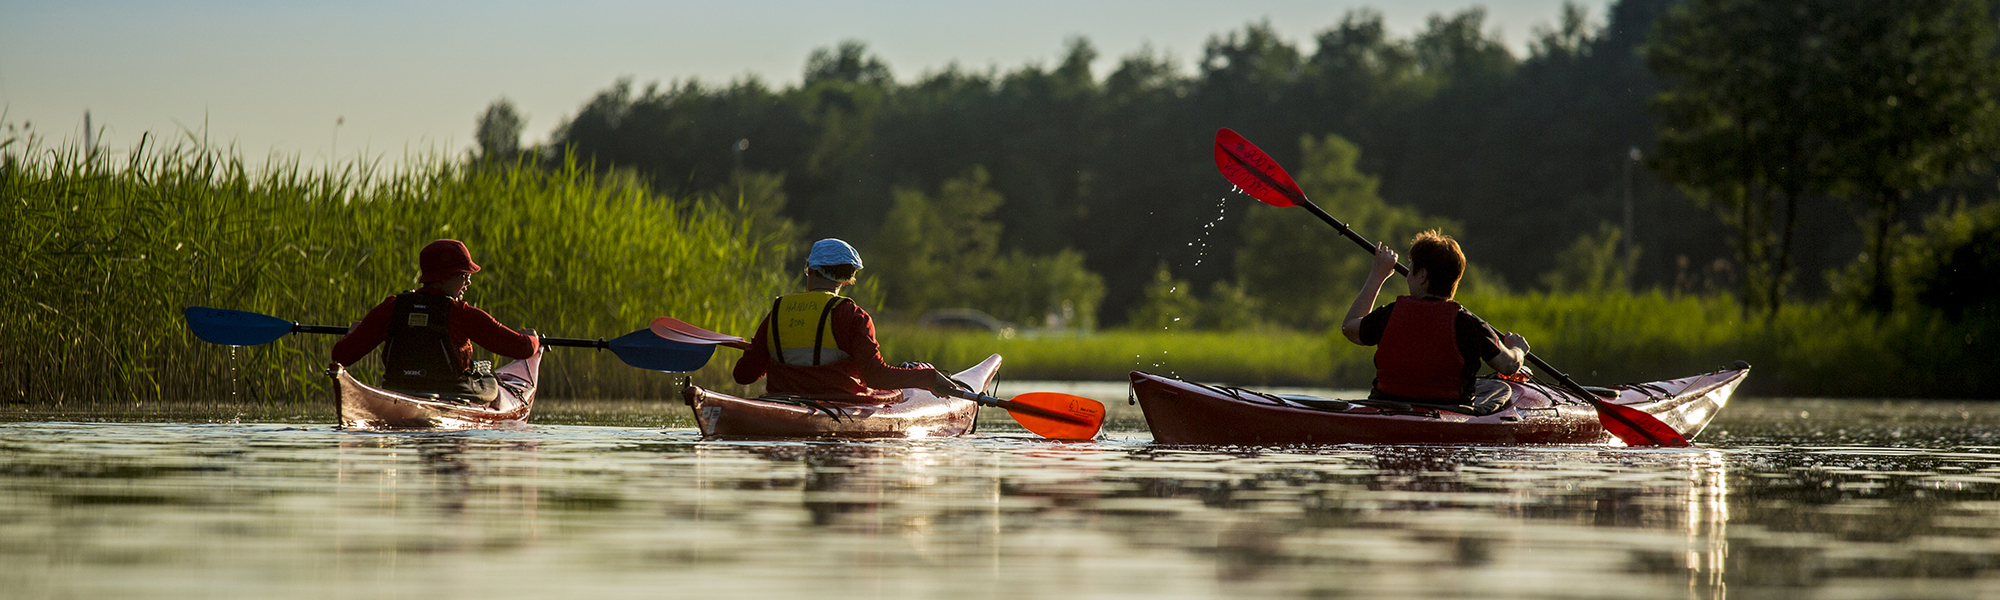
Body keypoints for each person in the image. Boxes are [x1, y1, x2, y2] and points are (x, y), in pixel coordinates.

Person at [733, 238, 958, 400]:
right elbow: (877, 377)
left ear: (810, 270)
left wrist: (755, 349)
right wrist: (928, 378)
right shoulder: (853, 316)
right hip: (840, 406)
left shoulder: (778, 312)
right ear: (849, 278)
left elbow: (743, 376)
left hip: (780, 404)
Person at [330, 239, 539, 402]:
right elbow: (522, 349)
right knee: (486, 376)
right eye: (464, 275)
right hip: (450, 394)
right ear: (444, 277)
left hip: (398, 388)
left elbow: (341, 355)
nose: (468, 282)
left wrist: (353, 334)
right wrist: (533, 339)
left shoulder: (392, 307)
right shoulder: (461, 313)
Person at [1340, 230, 1529, 404]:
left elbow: (1349, 327)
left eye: (1410, 267)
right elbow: (1508, 365)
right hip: (1450, 410)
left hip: (1386, 404)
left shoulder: (1390, 314)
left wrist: (1377, 275)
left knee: (1496, 387)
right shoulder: (1469, 324)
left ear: (1422, 275)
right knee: (1500, 389)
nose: (1407, 275)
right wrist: (1518, 350)